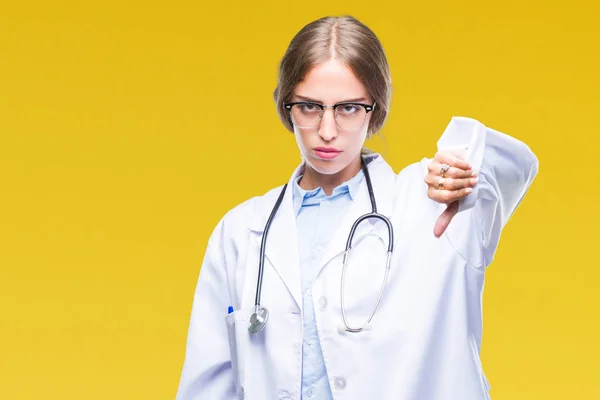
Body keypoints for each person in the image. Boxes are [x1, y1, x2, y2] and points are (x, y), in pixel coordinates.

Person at [175, 15, 538, 400]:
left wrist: (463, 171)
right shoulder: (241, 232)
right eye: (310, 107)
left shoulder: (429, 206)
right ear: (287, 107)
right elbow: (207, 386)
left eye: (348, 108)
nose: (327, 131)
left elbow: (514, 166)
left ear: (375, 108)